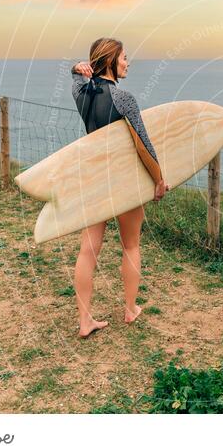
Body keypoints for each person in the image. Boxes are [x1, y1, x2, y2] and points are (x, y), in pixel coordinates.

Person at [69, 37, 169, 338]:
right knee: (131, 245)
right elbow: (143, 144)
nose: (128, 63)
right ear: (111, 60)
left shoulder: (80, 93)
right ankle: (130, 308)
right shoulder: (123, 98)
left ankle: (85, 322)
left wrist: (77, 67)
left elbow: (75, 75)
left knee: (88, 251)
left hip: (94, 179)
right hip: (122, 181)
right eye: (124, 57)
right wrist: (158, 178)